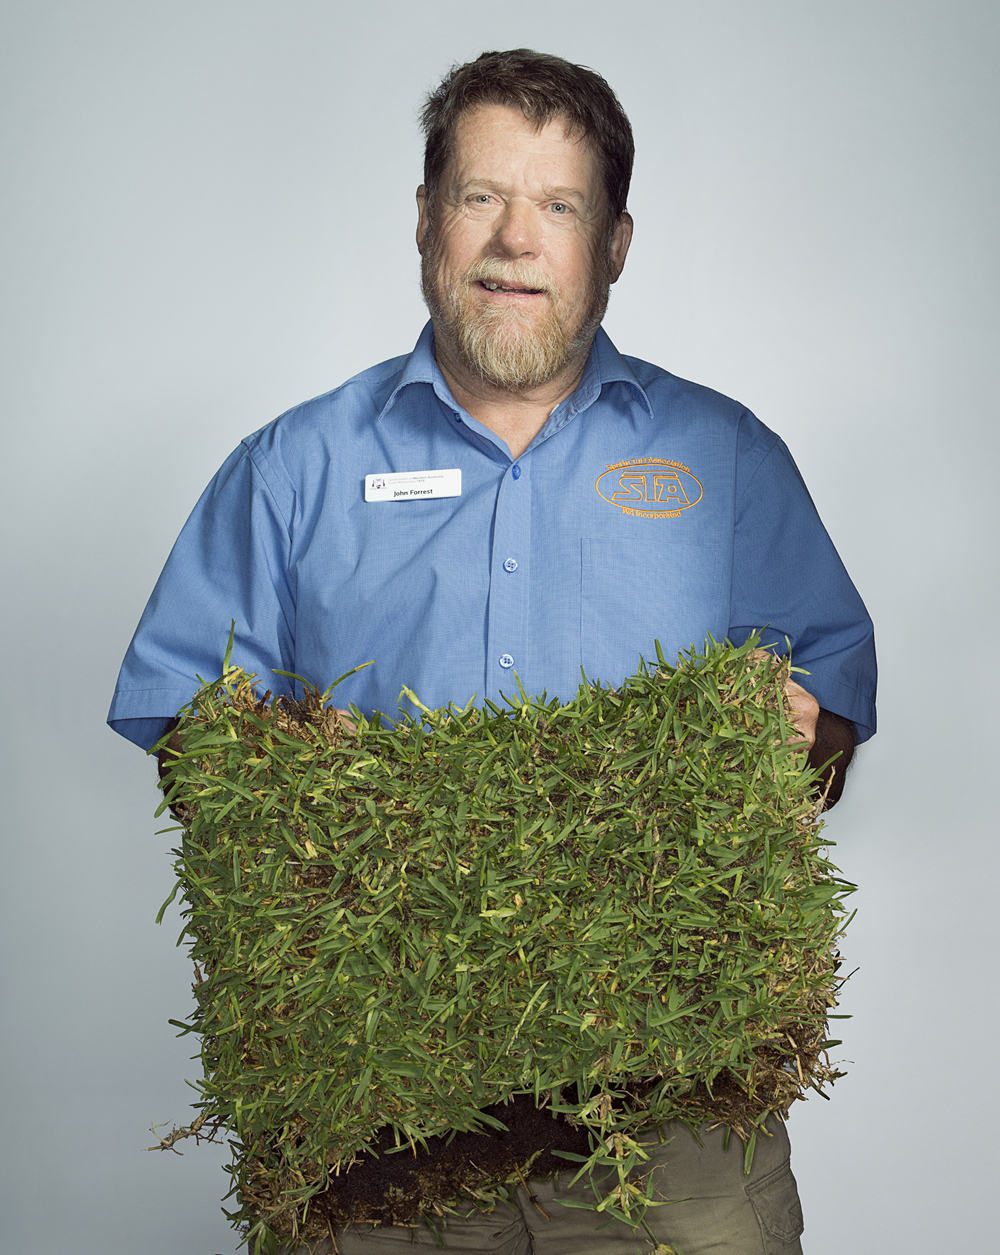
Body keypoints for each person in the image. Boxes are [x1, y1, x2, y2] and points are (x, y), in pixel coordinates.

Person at [109, 49, 875, 1255]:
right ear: (425, 221)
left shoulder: (725, 458)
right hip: (373, 1114)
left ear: (613, 242)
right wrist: (289, 767)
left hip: (667, 1126)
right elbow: (191, 728)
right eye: (480, 198)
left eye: (558, 207)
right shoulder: (290, 468)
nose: (516, 240)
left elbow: (829, 705)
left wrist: (804, 729)